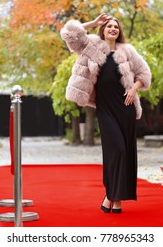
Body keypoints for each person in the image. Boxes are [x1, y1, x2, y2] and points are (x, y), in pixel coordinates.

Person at [60, 13, 151, 213]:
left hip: (125, 107)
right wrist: (93, 23)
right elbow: (69, 34)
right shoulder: (92, 44)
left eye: (116, 27)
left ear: (119, 32)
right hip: (105, 107)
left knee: (124, 152)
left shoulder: (127, 50)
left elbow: (144, 74)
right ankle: (111, 194)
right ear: (103, 29)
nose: (113, 29)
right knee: (116, 149)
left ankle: (114, 198)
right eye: (109, 26)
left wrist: (134, 88)